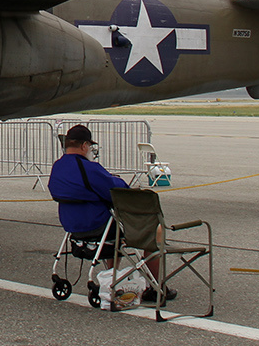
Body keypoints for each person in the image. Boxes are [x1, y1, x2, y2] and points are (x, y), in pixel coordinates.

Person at [48, 124, 172, 304]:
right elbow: (117, 190)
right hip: (96, 225)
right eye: (89, 147)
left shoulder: (57, 167)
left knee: (113, 235)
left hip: (72, 224)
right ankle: (156, 287)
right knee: (153, 232)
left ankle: (113, 276)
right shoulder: (89, 168)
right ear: (84, 146)